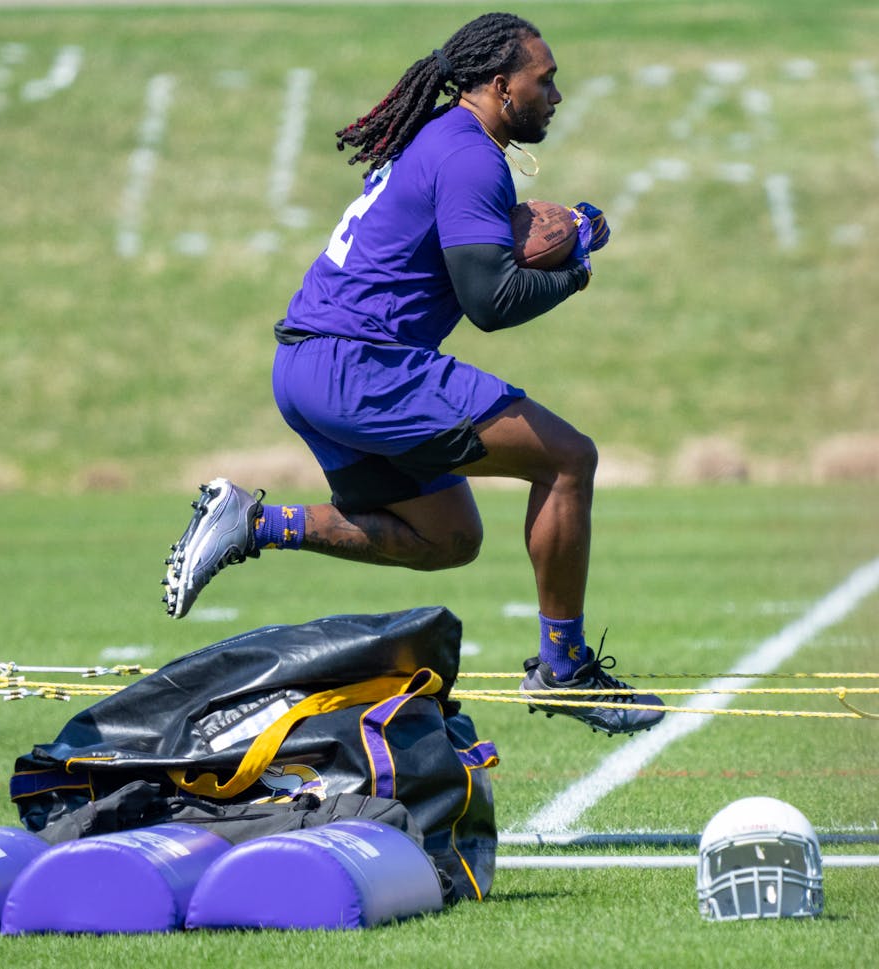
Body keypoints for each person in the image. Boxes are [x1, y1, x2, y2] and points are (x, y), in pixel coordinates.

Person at [160, 12, 663, 736]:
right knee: (568, 459)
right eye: (544, 80)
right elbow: (490, 303)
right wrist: (578, 262)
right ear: (499, 85)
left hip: (306, 366)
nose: (556, 94)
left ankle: (254, 522)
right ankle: (565, 667)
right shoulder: (468, 156)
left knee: (448, 535)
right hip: (360, 365)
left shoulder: (439, 139)